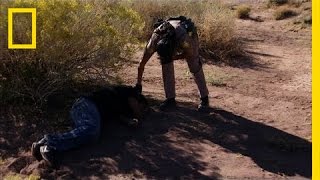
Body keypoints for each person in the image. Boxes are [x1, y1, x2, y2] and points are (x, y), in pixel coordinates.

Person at [31, 85, 149, 167]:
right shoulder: (130, 93)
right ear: (139, 101)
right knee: (92, 131)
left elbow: (120, 116)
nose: (140, 112)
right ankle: (49, 143)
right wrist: (139, 116)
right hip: (87, 105)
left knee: (90, 133)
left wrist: (129, 122)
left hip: (84, 109)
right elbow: (133, 103)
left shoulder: (120, 107)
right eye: (142, 108)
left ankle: (43, 143)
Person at [135, 16, 209, 111]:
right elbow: (141, 64)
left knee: (194, 65)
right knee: (166, 64)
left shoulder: (184, 39)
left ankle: (204, 99)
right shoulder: (155, 40)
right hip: (170, 37)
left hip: (185, 33)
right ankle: (170, 100)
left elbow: (189, 53)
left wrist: (175, 57)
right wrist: (138, 85)